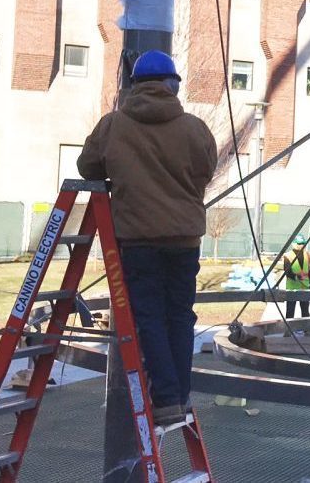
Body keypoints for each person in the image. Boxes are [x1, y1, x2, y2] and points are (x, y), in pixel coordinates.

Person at [77, 50, 218, 427]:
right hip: (184, 240)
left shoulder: (114, 126)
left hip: (137, 238)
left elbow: (87, 165)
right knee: (180, 316)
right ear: (172, 84)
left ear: (132, 84)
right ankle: (179, 396)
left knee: (150, 317)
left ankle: (168, 398)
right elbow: (206, 168)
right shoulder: (194, 128)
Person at [280, 234, 310, 318]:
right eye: (299, 243)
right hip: (292, 288)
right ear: (293, 243)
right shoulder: (288, 256)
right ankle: (288, 330)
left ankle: (307, 330)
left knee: (305, 311)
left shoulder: (308, 255)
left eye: (302, 243)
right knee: (290, 311)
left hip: (305, 287)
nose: (301, 245)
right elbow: (287, 271)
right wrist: (297, 277)